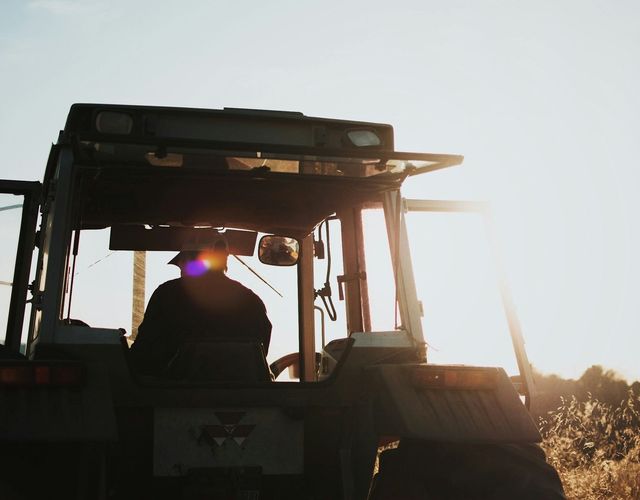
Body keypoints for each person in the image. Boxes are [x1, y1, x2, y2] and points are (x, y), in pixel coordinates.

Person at [129, 239, 272, 378]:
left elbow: (144, 356)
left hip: (174, 397)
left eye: (181, 263)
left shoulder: (167, 294)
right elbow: (258, 355)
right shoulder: (252, 301)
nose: (181, 270)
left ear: (191, 261)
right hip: (246, 397)